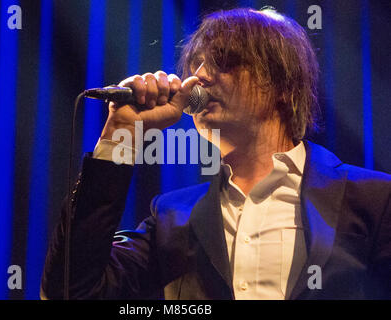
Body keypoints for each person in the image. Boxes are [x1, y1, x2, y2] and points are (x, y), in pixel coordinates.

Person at [41, 7, 391, 299]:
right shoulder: (172, 219)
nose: (200, 77)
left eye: (224, 61)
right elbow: (69, 291)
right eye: (196, 65)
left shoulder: (373, 199)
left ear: (283, 85)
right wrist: (121, 135)